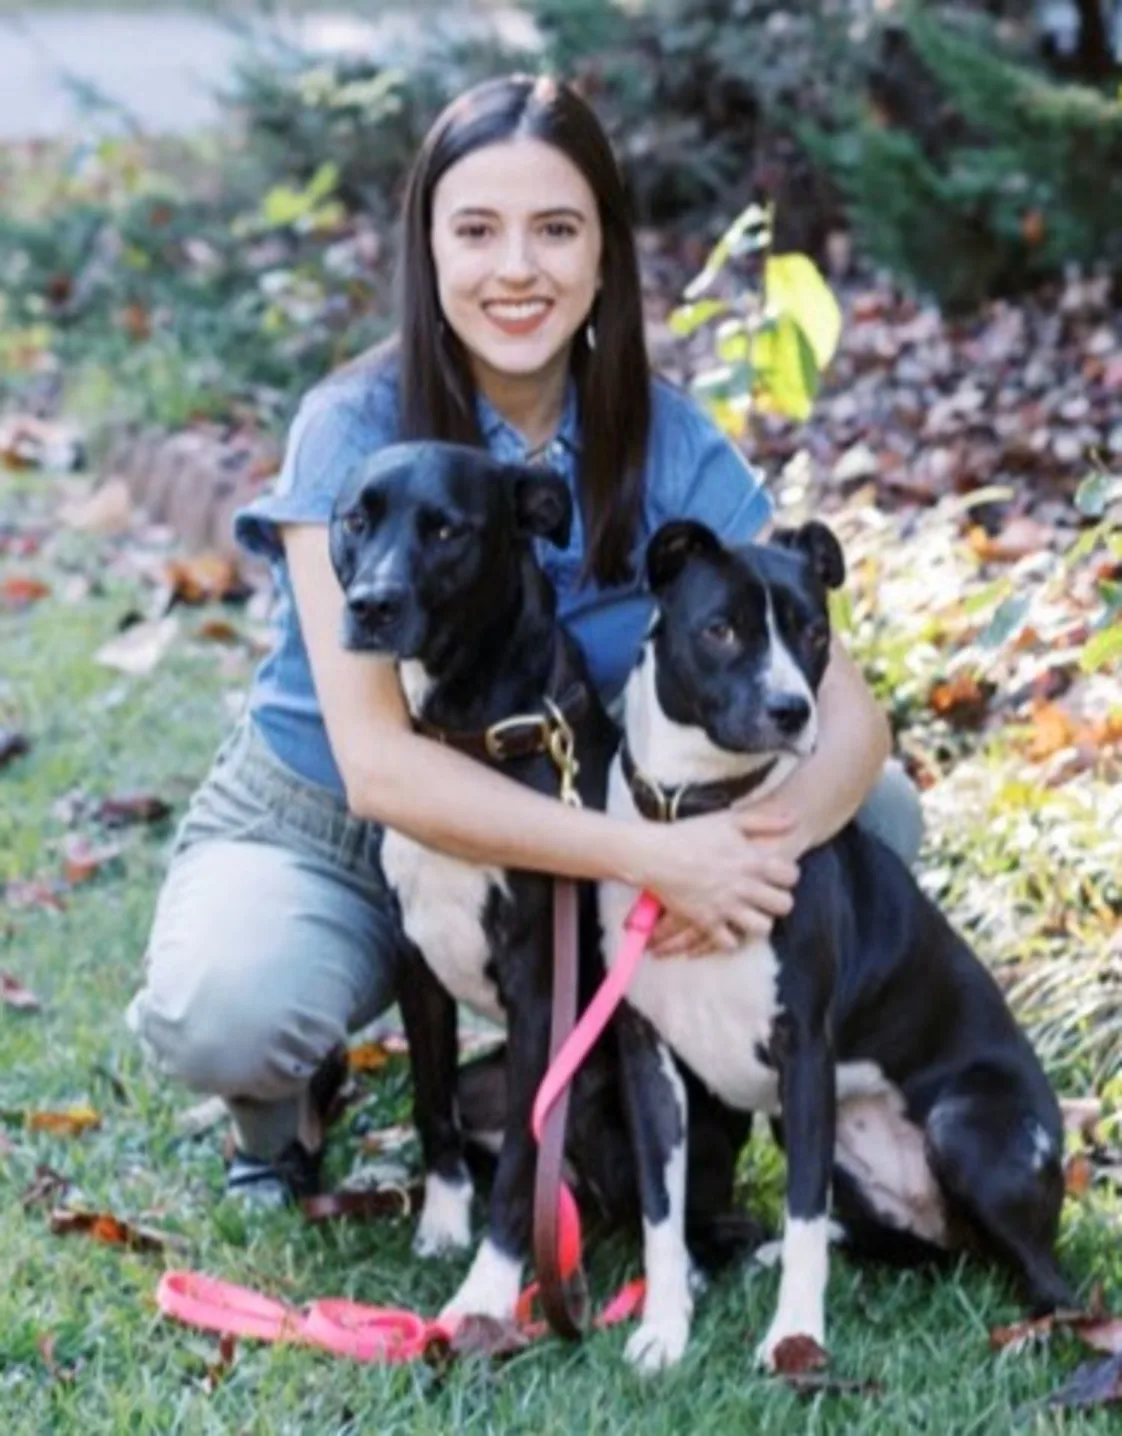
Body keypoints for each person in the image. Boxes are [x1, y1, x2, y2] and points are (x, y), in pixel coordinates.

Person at [127, 74, 922, 1207]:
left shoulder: (669, 443)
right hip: (337, 821)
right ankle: (284, 1103)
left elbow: (851, 718)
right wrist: (655, 860)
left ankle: (544, 1079)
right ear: (429, 249)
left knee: (876, 811)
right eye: (478, 230)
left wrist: (739, 851)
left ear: (604, 252)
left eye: (556, 228)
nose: (516, 268)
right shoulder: (352, 424)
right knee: (230, 1004)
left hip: (564, 819)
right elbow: (380, 761)